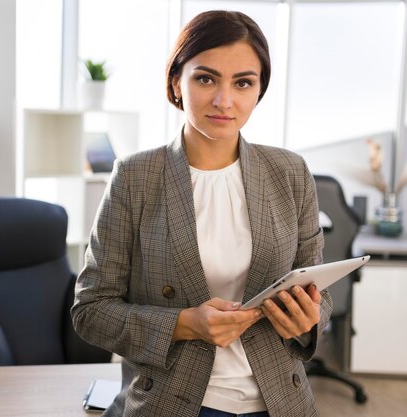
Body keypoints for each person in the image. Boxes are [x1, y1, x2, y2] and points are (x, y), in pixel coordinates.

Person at [71, 10, 332, 417]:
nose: (224, 100)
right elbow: (91, 311)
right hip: (173, 400)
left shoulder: (290, 172)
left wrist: (309, 319)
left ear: (259, 90)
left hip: (281, 401)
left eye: (243, 82)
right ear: (177, 81)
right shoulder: (135, 176)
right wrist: (185, 323)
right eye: (206, 78)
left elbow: (319, 293)